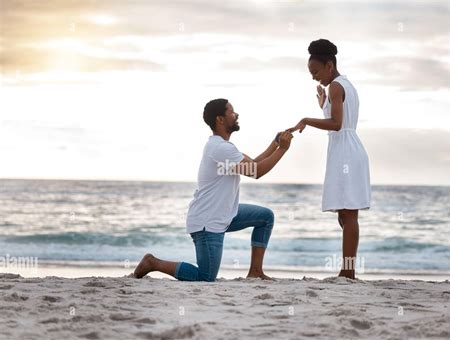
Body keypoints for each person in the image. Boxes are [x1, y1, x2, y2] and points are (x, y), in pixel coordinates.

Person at [134, 98, 293, 281]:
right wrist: (283, 149)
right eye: (232, 113)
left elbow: (255, 163)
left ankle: (255, 271)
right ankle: (153, 263)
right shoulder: (220, 149)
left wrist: (275, 143)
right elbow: (257, 172)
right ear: (220, 119)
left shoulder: (224, 147)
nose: (236, 115)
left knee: (265, 217)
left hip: (225, 214)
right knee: (206, 277)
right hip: (207, 221)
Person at [288, 39, 371, 279]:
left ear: (329, 65)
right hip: (345, 150)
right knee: (343, 214)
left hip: (346, 151)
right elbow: (338, 116)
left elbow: (336, 124)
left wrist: (306, 120)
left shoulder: (336, 86)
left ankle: (348, 271)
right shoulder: (343, 85)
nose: (314, 77)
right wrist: (323, 104)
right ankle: (348, 269)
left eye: (315, 71)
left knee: (349, 214)